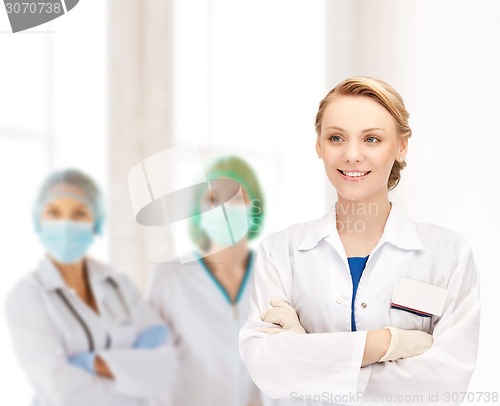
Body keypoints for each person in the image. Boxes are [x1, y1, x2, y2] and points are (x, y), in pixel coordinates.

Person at [239, 77, 480, 405]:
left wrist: (309, 355)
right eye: (336, 137)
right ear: (319, 145)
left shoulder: (448, 254)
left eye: (372, 139)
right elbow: (266, 366)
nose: (352, 155)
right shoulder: (280, 252)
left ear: (401, 146)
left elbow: (446, 380)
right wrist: (388, 343)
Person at [5, 168, 176, 406]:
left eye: (79, 214)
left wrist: (89, 363)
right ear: (39, 221)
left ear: (95, 222)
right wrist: (132, 378)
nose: (65, 224)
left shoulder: (119, 285)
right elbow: (61, 391)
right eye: (54, 213)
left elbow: (164, 367)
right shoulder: (27, 295)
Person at [148, 156, 265, 406]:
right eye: (212, 199)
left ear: (254, 208)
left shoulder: (273, 276)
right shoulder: (170, 279)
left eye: (235, 198)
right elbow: (152, 371)